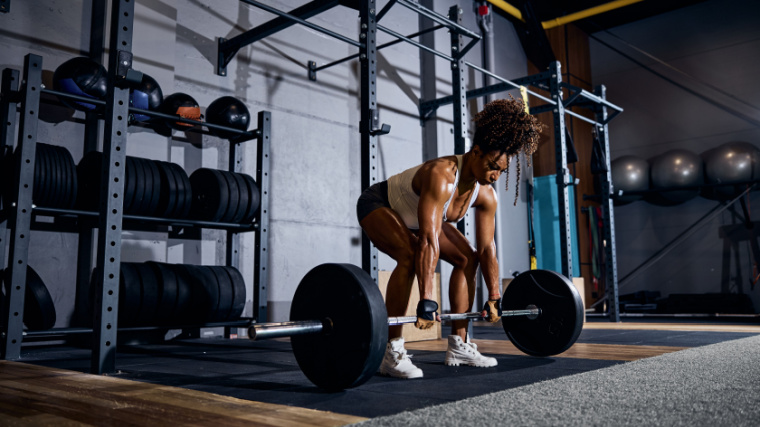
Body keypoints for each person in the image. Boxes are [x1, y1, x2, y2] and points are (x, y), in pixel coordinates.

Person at [356, 98, 544, 379]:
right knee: (408, 254)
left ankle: (459, 344)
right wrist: (427, 301)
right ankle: (390, 351)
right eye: (493, 166)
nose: (495, 175)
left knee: (467, 258)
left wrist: (495, 296)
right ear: (476, 151)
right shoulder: (442, 175)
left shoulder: (485, 195)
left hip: (421, 222)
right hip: (380, 204)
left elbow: (487, 248)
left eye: (501, 171)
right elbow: (429, 241)